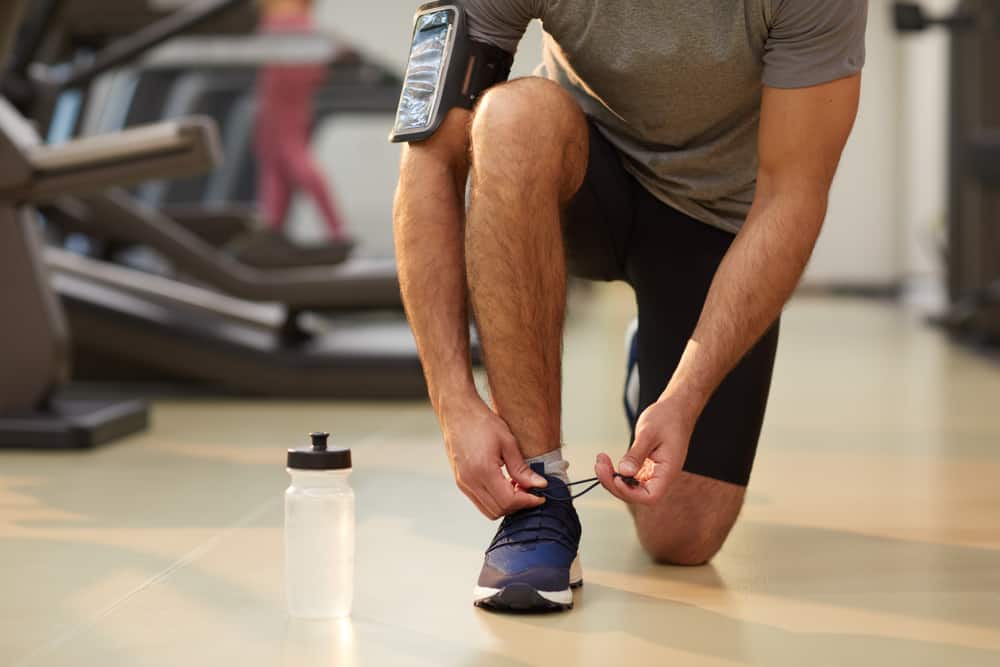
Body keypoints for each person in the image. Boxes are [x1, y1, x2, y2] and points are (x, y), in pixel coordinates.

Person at [393, 0, 867, 612]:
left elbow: (792, 194)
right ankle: (541, 508)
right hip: (578, 183)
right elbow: (431, 157)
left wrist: (684, 395)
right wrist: (453, 400)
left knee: (683, 535)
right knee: (511, 117)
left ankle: (655, 356)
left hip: (715, 219)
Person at [255, 0, 349, 242]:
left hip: (286, 34)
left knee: (287, 146)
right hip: (302, 34)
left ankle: (336, 227)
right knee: (275, 149)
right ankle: (272, 227)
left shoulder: (281, 14)